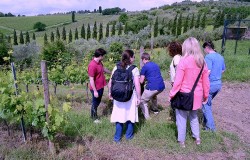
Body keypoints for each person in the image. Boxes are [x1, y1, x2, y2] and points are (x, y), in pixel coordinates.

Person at [169, 37, 210, 148]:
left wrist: (172, 94)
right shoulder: (202, 62)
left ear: (185, 47)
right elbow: (206, 82)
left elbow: (177, 82)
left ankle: (181, 141)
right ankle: (197, 138)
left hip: (184, 95)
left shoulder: (183, 61)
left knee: (181, 119)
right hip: (197, 95)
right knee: (194, 116)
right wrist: (206, 95)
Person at [109, 50, 141, 143]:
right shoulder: (134, 69)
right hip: (130, 96)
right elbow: (137, 85)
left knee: (119, 116)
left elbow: (110, 82)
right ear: (130, 58)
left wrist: (110, 93)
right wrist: (139, 98)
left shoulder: (116, 67)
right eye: (133, 57)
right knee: (131, 116)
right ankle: (128, 136)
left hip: (117, 96)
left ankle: (117, 138)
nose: (134, 58)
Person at [202, 40, 226, 131]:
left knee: (205, 104)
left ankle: (210, 128)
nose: (204, 51)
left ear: (206, 48)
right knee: (208, 103)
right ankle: (206, 122)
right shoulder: (220, 56)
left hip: (210, 85)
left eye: (204, 49)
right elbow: (223, 69)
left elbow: (207, 71)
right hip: (218, 84)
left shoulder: (208, 57)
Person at [87, 48, 111, 123]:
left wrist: (111, 72)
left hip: (100, 86)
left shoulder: (99, 62)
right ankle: (94, 118)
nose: (103, 57)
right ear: (100, 56)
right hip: (95, 88)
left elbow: (103, 69)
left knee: (97, 102)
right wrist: (95, 91)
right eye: (103, 56)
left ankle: (94, 116)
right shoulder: (92, 65)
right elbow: (91, 80)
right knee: (95, 103)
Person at [139, 52, 165, 119]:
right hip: (161, 86)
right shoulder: (155, 65)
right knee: (153, 95)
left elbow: (141, 81)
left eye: (142, 60)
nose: (142, 61)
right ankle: (155, 110)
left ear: (144, 59)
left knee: (142, 101)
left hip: (153, 87)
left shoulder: (144, 67)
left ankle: (147, 118)